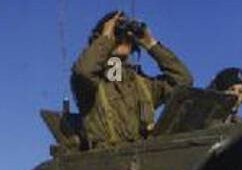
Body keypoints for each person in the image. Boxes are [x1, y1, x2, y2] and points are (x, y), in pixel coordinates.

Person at [70, 11, 193, 146]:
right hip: (106, 160)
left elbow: (183, 81)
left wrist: (151, 44)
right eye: (118, 31)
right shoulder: (93, 83)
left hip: (144, 158)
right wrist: (106, 38)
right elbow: (83, 72)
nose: (123, 36)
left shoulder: (142, 84)